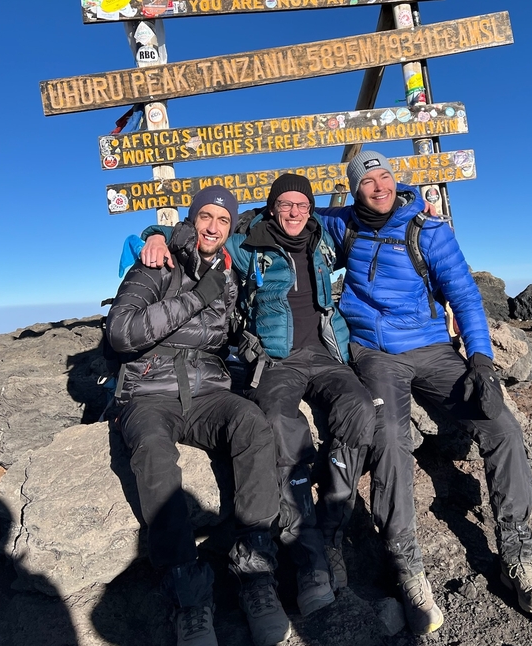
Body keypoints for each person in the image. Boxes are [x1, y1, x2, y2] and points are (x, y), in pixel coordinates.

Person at [317, 150, 532, 630]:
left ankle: (517, 554)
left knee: (502, 426)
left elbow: (464, 293)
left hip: (432, 351)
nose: (379, 186)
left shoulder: (427, 230)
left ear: (395, 181)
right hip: (374, 354)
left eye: (385, 176)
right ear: (353, 190)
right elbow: (285, 210)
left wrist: (481, 359)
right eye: (367, 181)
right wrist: (160, 235)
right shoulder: (342, 226)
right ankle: (409, 569)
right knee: (389, 439)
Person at [141, 175, 377, 618]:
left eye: (301, 205)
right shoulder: (247, 242)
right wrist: (152, 235)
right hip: (276, 360)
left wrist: (416, 211)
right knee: (280, 423)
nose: (294, 212)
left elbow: (370, 218)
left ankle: (331, 532)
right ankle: (309, 560)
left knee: (360, 410)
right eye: (285, 204)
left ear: (311, 209)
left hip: (328, 355)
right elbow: (199, 235)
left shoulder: (325, 236)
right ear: (271, 208)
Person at [106, 188, 289, 646]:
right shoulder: (155, 263)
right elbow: (122, 333)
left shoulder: (226, 276)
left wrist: (248, 346)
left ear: (231, 227)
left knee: (252, 423)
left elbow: (218, 337)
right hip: (148, 390)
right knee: (152, 452)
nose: (213, 227)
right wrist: (195, 295)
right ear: (191, 220)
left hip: (206, 389)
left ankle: (255, 574)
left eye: (222, 221)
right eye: (205, 216)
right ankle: (189, 599)